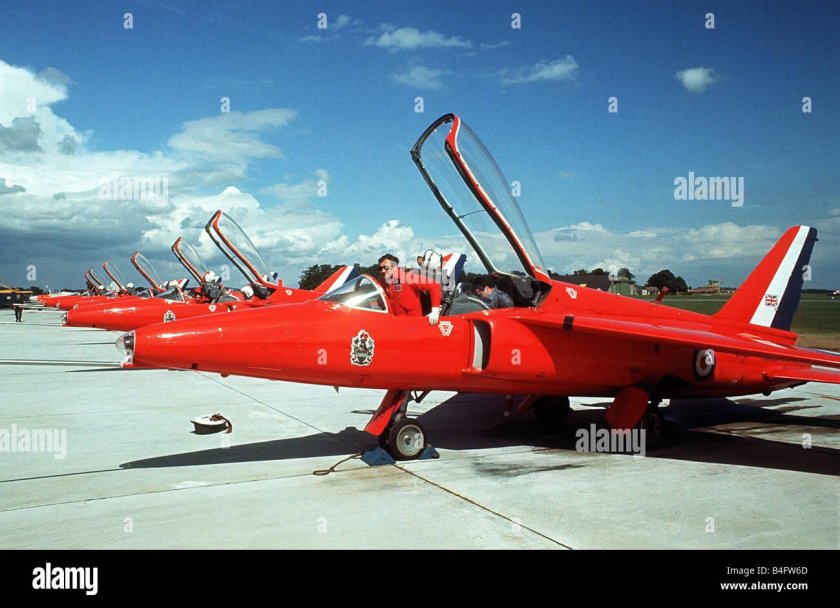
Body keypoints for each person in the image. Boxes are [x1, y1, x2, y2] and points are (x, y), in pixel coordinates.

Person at [378, 253, 442, 325]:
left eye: (386, 267)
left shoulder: (408, 277)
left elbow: (434, 286)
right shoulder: (382, 283)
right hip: (395, 324)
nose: (383, 271)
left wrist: (435, 311)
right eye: (380, 268)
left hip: (414, 324)